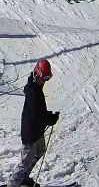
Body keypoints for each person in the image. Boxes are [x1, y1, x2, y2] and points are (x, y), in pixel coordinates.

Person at [10, 58, 59, 187]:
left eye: (48, 78)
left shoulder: (36, 86)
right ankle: (12, 184)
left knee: (40, 150)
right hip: (31, 133)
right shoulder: (33, 93)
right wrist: (49, 119)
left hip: (37, 131)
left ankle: (24, 177)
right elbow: (37, 115)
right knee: (25, 162)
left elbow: (40, 111)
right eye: (44, 77)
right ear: (37, 73)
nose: (45, 81)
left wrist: (48, 116)